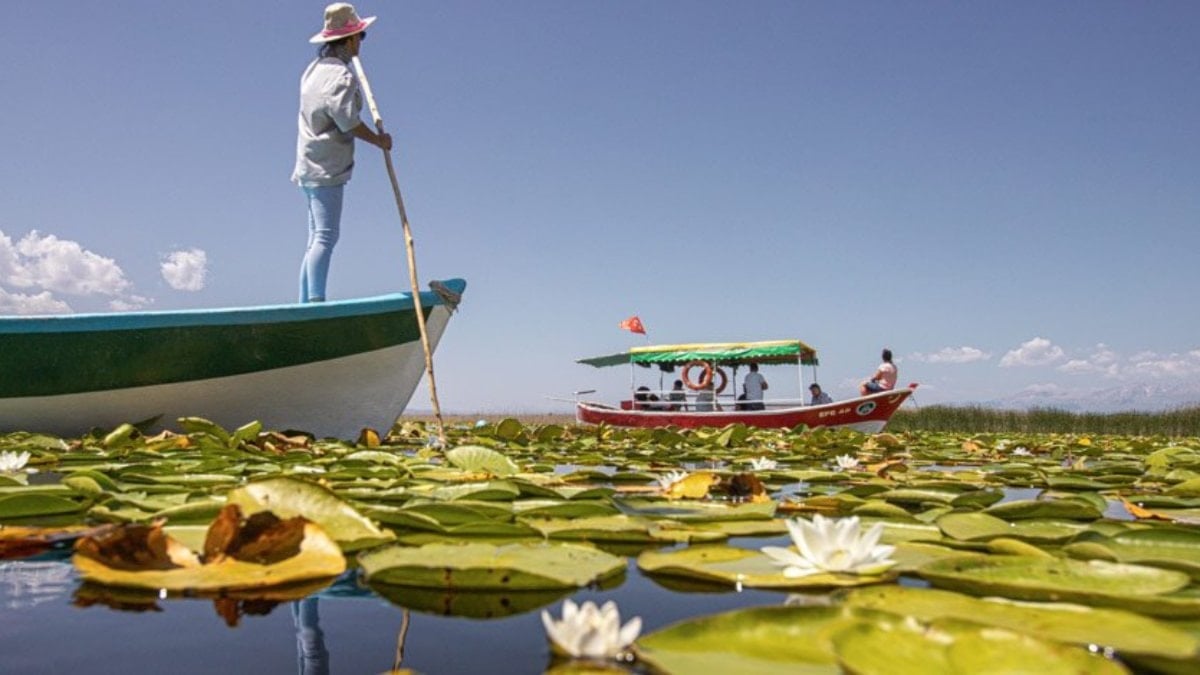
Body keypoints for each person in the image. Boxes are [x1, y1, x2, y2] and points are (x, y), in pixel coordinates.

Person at [293, 3, 393, 303]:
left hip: (308, 162)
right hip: (326, 167)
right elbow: (347, 122)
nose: (361, 43)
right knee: (325, 237)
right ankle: (315, 303)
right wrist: (380, 141)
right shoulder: (341, 78)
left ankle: (305, 302)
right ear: (349, 40)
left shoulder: (313, 71)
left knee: (315, 239)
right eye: (360, 37)